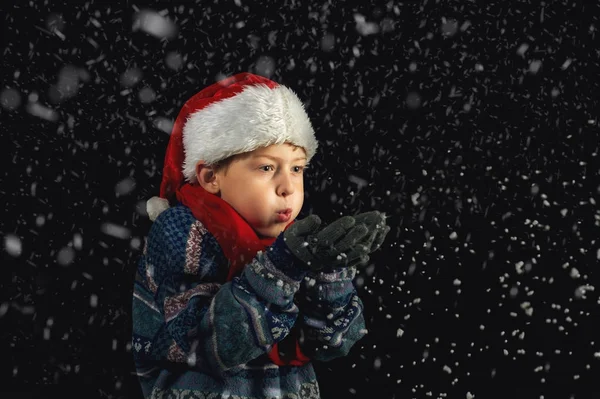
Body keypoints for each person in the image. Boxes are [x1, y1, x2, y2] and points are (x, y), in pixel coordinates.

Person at [131, 72, 390, 399]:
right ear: (211, 177)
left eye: (296, 168)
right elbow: (203, 345)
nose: (287, 187)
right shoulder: (182, 231)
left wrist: (331, 274)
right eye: (267, 168)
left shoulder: (293, 241)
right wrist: (282, 269)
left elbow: (331, 344)